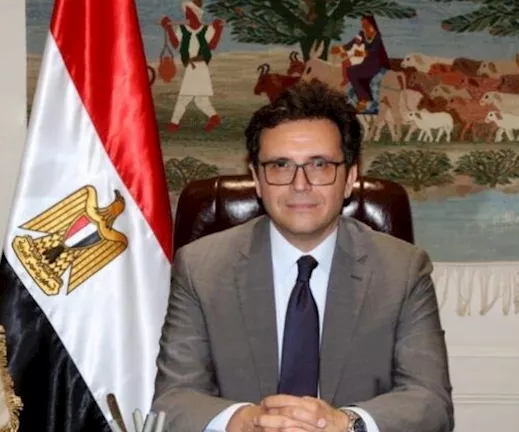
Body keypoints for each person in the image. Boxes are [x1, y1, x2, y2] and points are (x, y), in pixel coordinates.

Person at [152, 80, 454, 432]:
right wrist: (245, 421)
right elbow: (173, 400)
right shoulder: (200, 268)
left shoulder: (403, 270)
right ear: (257, 179)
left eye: (320, 165)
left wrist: (345, 424)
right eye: (280, 165)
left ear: (350, 177)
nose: (300, 185)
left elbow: (430, 402)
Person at [160, 0, 224, 133]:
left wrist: (218, 30)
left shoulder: (207, 29)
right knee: (200, 100)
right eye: (186, 13)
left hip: (200, 67)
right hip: (191, 66)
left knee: (184, 97)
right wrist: (169, 29)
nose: (187, 16)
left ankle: (174, 124)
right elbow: (176, 44)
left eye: (189, 13)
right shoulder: (183, 29)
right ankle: (214, 117)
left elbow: (212, 45)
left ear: (196, 13)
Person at [331, 15, 391, 112]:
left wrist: (360, 53)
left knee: (356, 72)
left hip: (377, 64)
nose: (364, 27)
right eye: (363, 25)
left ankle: (364, 100)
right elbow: (351, 44)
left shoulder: (377, 36)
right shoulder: (362, 34)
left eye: (367, 24)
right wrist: (340, 49)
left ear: (372, 24)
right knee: (350, 71)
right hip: (366, 62)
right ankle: (364, 98)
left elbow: (373, 52)